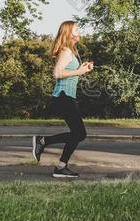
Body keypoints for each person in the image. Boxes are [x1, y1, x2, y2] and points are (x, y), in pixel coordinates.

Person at [32, 20, 94, 178]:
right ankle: (44, 143)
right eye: (76, 29)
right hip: (63, 97)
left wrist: (82, 69)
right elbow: (57, 73)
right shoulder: (66, 51)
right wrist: (79, 72)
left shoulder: (71, 51)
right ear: (69, 33)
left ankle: (60, 165)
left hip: (66, 97)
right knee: (79, 133)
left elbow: (69, 71)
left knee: (78, 133)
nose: (79, 31)